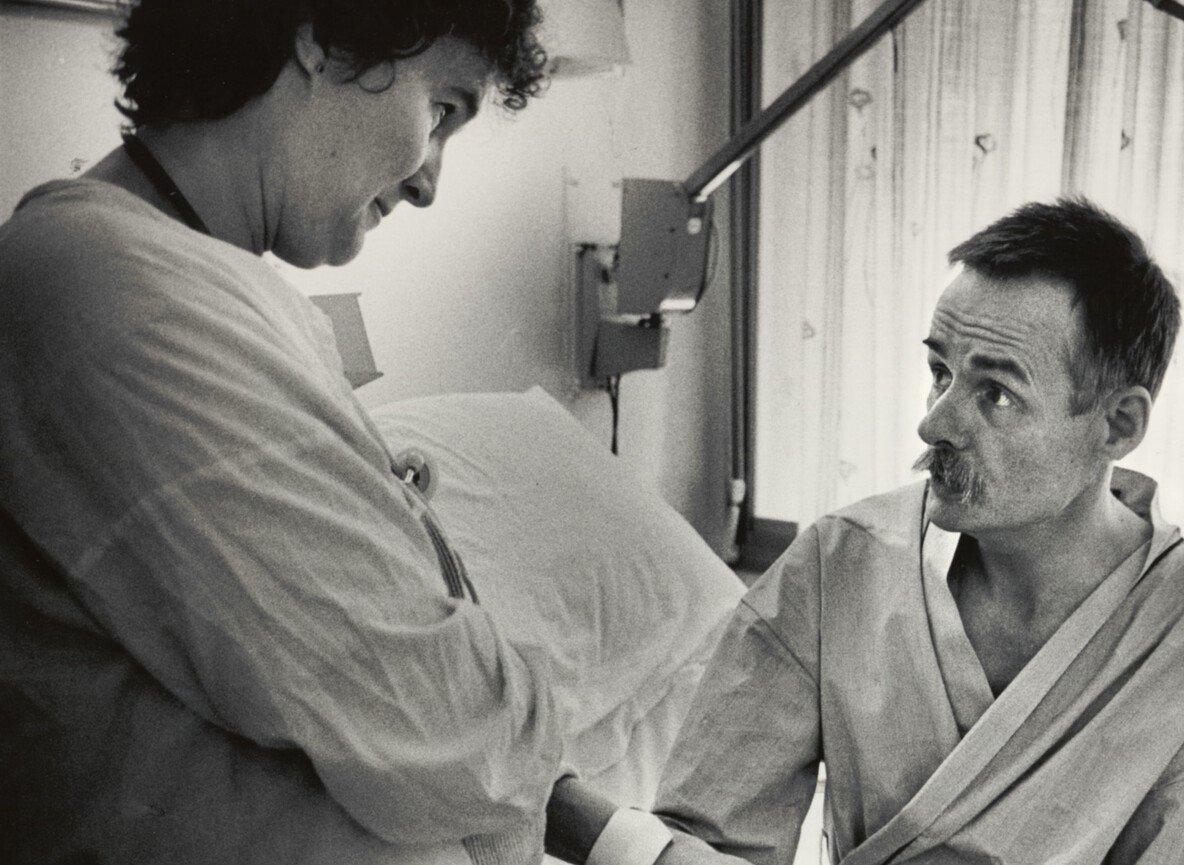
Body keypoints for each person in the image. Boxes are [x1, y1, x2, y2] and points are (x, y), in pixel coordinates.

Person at [0, 3, 736, 864]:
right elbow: (439, 715)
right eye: (442, 111)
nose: (429, 182)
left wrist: (631, 844)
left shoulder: (190, 282)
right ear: (319, 35)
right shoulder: (114, 295)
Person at [651, 197, 1184, 864]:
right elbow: (711, 830)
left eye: (996, 393)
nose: (934, 425)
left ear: (1117, 425)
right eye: (940, 373)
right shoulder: (837, 565)